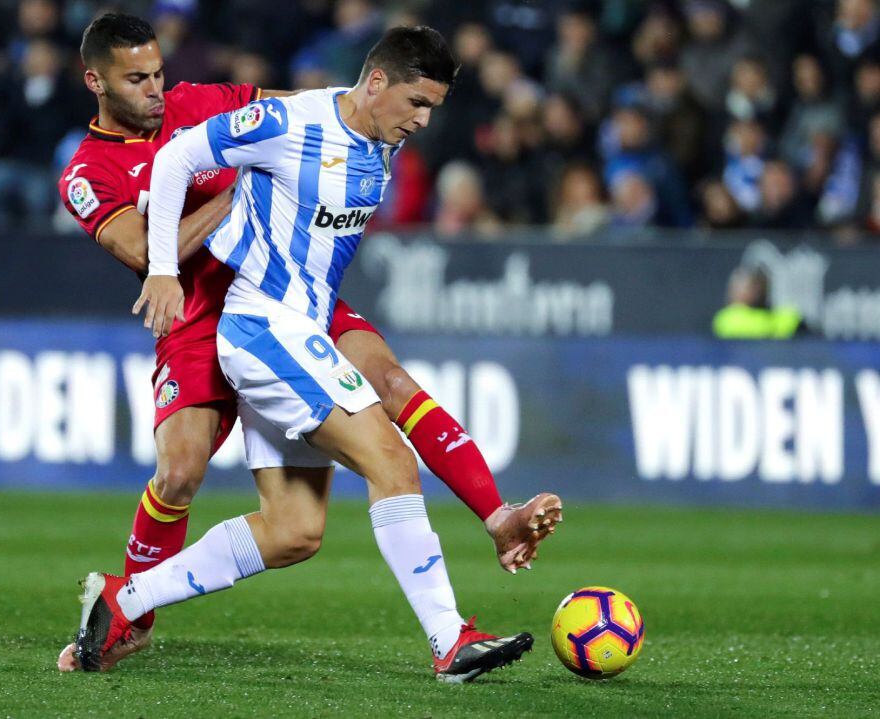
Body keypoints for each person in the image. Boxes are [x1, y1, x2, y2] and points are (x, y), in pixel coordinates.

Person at [56, 15, 561, 672]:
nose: (156, 88)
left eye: (159, 72)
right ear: (95, 81)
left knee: (298, 526)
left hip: (296, 305)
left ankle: (123, 600)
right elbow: (193, 173)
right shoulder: (91, 169)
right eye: (137, 78)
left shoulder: (345, 123)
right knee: (204, 467)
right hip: (227, 313)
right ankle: (449, 638)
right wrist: (171, 258)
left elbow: (299, 112)